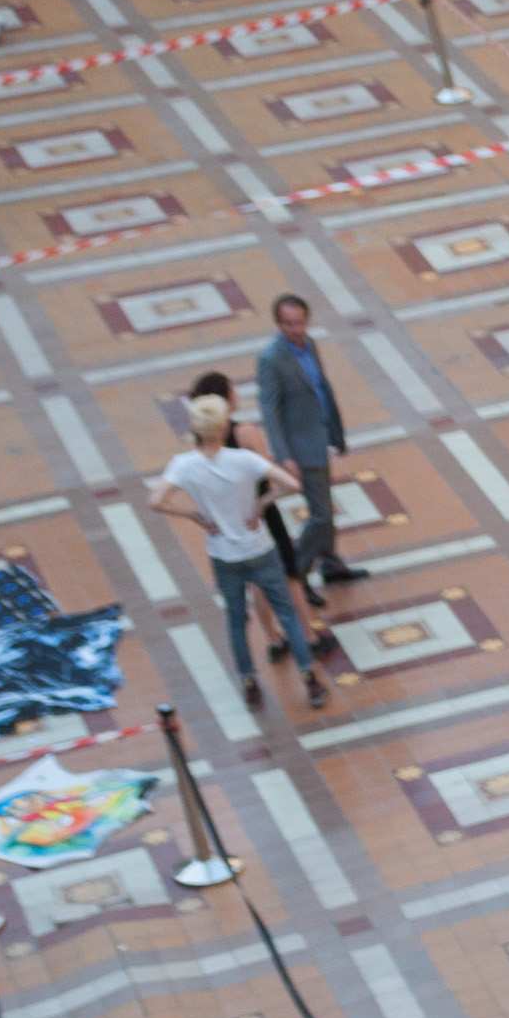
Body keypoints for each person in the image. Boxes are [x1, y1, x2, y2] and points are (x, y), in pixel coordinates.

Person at [151, 393, 327, 710]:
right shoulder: (244, 460)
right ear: (222, 427)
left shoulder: (185, 466)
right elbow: (291, 484)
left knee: (236, 620)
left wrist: (192, 515)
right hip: (258, 546)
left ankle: (249, 682)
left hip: (223, 554)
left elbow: (156, 501)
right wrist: (261, 503)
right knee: (287, 613)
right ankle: (309, 678)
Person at [253, 295, 365, 596]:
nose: (295, 329)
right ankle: (296, 573)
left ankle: (330, 564)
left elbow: (321, 389)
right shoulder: (271, 359)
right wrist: (284, 456)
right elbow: (270, 411)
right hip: (301, 448)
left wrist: (336, 434)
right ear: (278, 324)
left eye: (300, 322)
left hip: (320, 436)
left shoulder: (310, 344)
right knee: (321, 514)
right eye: (288, 324)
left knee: (324, 506)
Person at [183, 372, 305, 591]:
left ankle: (269, 627)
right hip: (260, 512)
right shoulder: (245, 432)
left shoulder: (200, 442)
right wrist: (263, 501)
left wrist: (196, 514)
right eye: (232, 391)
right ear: (225, 399)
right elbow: (275, 476)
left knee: (258, 580)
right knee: (289, 575)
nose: (236, 395)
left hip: (232, 515)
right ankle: (300, 624)